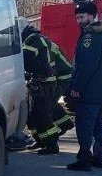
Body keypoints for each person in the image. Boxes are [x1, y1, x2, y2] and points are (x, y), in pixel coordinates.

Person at [67, 1, 102, 171]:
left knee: (85, 126)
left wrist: (76, 87)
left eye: (82, 16)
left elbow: (86, 66)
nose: (79, 20)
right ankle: (100, 157)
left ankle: (84, 159)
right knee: (99, 125)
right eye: (77, 17)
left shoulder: (90, 36)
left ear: (92, 16)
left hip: (89, 91)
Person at [21, 21, 74, 155]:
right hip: (53, 78)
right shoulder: (36, 40)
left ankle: (51, 143)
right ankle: (58, 128)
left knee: (42, 111)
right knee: (40, 109)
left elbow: (27, 60)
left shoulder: (34, 42)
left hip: (57, 78)